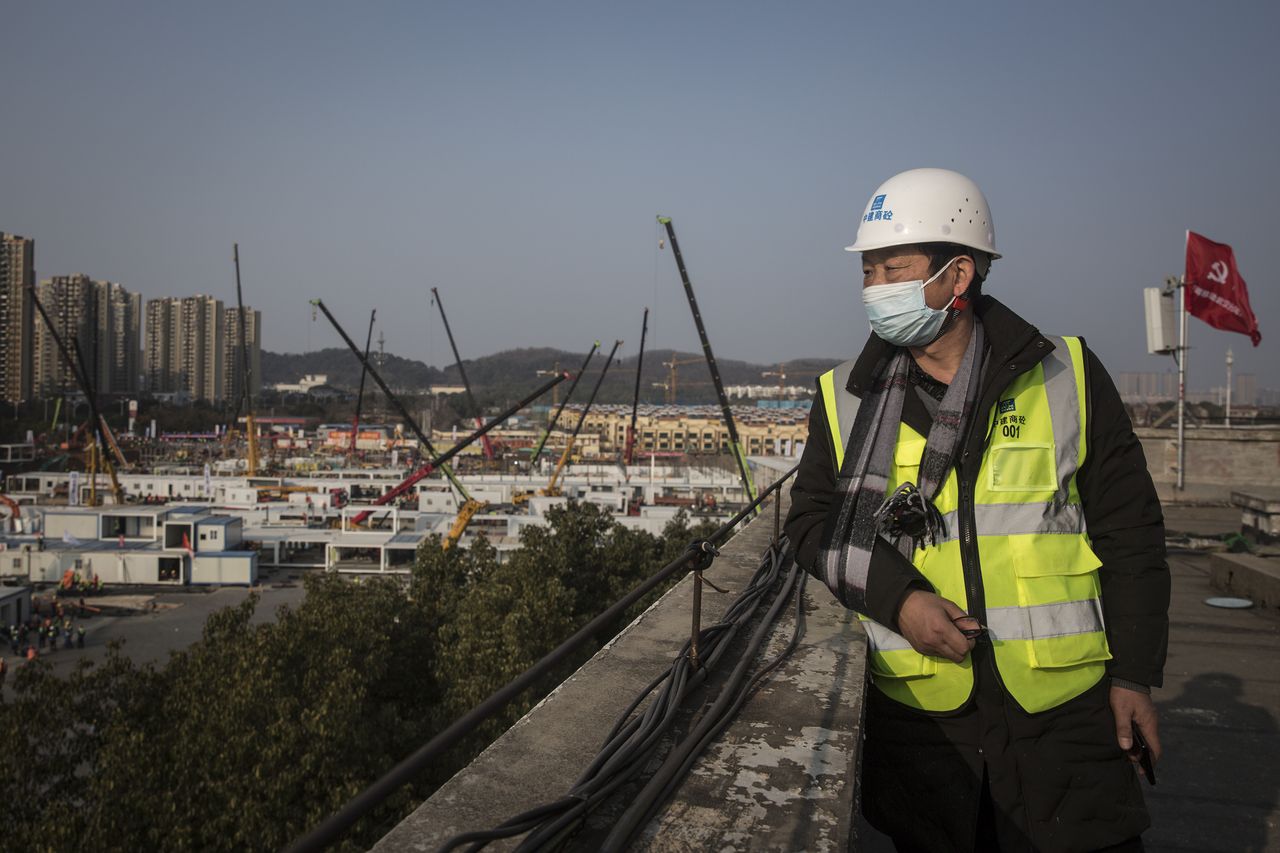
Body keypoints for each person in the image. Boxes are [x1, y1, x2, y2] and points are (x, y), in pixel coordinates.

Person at [785, 168, 1169, 853]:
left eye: (891, 270)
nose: (875, 290)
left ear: (957, 276)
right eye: (868, 273)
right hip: (929, 728)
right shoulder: (846, 396)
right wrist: (900, 602)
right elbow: (812, 523)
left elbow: (1132, 532)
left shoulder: (1066, 374)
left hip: (1065, 720)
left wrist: (1134, 672)